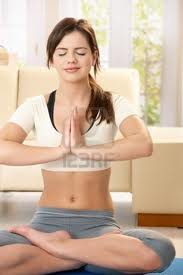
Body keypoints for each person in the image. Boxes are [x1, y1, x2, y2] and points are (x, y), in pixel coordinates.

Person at [0, 17, 175, 275]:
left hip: (99, 226)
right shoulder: (35, 106)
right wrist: (60, 151)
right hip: (46, 222)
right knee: (119, 264)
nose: (71, 59)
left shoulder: (114, 103)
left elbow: (143, 144)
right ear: (52, 59)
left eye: (80, 52)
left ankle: (57, 251)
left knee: (160, 249)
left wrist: (83, 150)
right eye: (62, 53)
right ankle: (78, 255)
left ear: (93, 56)